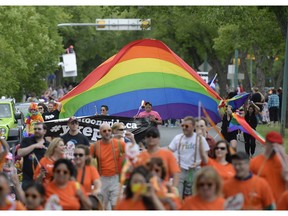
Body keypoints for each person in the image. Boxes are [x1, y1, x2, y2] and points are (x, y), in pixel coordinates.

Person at [168, 116, 209, 199]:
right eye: (182, 125)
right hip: (180, 170)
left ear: (193, 126)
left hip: (195, 171)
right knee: (177, 196)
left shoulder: (200, 139)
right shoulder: (178, 138)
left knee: (193, 197)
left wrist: (197, 163)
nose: (184, 128)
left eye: (186, 126)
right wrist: (174, 163)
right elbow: (168, 153)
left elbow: (206, 159)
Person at [89, 123, 126, 210]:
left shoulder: (120, 144)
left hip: (116, 180)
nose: (107, 132)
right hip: (102, 180)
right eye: (104, 131)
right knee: (103, 208)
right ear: (100, 133)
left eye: (109, 130)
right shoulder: (94, 146)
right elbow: (88, 162)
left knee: (116, 208)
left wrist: (132, 139)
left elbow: (133, 154)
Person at [250, 131, 288, 203]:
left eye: (278, 145)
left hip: (280, 204)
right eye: (272, 144)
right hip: (262, 204)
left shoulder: (283, 161)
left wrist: (282, 155)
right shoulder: (254, 162)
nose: (274, 148)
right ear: (266, 144)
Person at [18, 122, 49, 189]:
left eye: (39, 129)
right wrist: (34, 146)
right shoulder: (26, 141)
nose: (36, 130)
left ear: (45, 131)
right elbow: (19, 153)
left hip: (44, 179)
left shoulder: (48, 145)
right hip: (28, 179)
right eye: (35, 129)